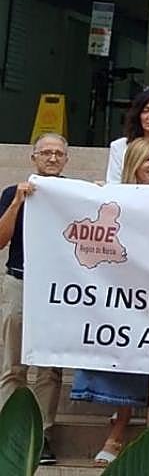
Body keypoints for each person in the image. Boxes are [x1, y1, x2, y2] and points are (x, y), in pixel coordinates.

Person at [72, 137, 149, 465]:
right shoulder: (114, 197)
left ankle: (118, 432)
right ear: (133, 164)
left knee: (137, 360)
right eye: (147, 160)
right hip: (116, 291)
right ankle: (116, 423)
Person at [0, 134, 68, 466]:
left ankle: (41, 435)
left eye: (58, 153)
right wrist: (17, 202)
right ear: (34, 157)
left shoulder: (74, 194)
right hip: (20, 281)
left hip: (57, 290)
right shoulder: (12, 193)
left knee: (49, 369)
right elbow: (1, 240)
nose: (52, 158)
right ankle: (8, 433)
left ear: (66, 159)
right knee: (13, 365)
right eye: (46, 153)